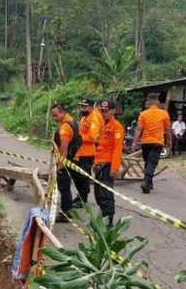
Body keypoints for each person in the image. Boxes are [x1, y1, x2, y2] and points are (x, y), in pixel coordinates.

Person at [93, 98, 124, 226]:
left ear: (113, 111)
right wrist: (95, 163)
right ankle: (103, 216)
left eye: (106, 111)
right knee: (97, 193)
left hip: (108, 164)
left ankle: (108, 222)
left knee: (106, 194)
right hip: (99, 163)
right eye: (101, 111)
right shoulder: (100, 125)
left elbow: (117, 149)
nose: (103, 113)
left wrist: (114, 168)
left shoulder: (117, 127)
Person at [131, 92, 171, 194]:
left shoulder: (143, 114)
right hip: (157, 142)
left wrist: (134, 142)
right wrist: (169, 140)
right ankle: (146, 182)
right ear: (157, 102)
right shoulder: (164, 113)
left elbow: (139, 129)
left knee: (148, 162)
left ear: (148, 102)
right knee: (152, 163)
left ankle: (148, 184)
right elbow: (167, 128)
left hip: (146, 142)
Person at [50, 103, 81, 222]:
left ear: (62, 112)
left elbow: (64, 147)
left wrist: (61, 165)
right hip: (73, 159)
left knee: (64, 188)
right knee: (66, 186)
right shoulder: (72, 121)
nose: (54, 118)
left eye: (55, 115)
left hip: (66, 162)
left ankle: (66, 213)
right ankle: (67, 210)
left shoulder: (65, 128)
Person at [72, 97, 103, 207]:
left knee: (82, 176)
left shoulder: (94, 118)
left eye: (84, 107)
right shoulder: (85, 117)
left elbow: (92, 136)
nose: (82, 108)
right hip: (80, 152)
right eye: (81, 106)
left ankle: (83, 200)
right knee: (77, 176)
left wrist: (77, 138)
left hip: (87, 153)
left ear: (91, 107)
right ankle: (79, 196)